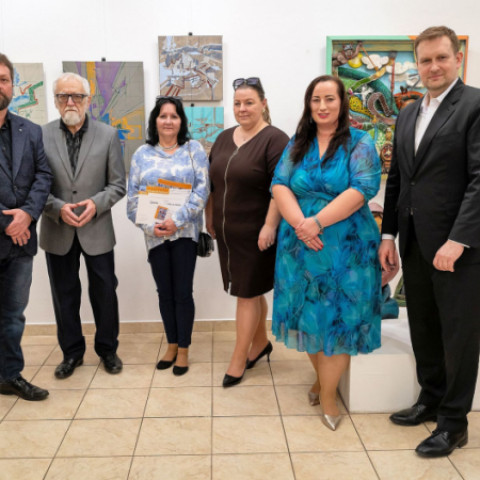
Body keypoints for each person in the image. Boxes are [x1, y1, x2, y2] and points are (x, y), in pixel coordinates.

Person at [379, 26, 480, 457]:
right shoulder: (408, 113)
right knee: (422, 326)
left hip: (458, 249)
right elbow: (399, 178)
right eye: (425, 60)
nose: (433, 67)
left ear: (458, 58)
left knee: (458, 336)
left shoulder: (474, 105)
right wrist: (388, 234)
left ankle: (454, 423)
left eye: (441, 57)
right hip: (415, 242)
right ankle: (431, 398)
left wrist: (459, 239)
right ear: (416, 64)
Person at [272, 75, 382, 431]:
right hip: (300, 248)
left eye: (329, 99)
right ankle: (321, 380)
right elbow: (279, 184)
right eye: (316, 99)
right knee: (308, 316)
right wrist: (301, 225)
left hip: (346, 249)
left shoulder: (360, 142)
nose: (322, 106)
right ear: (309, 105)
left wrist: (317, 222)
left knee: (341, 320)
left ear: (341, 103)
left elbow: (363, 188)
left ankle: (330, 396)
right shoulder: (297, 144)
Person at [40, 73, 126, 379]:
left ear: (88, 100)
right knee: (64, 295)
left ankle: (108, 349)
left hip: (97, 228)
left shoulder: (108, 135)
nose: (70, 102)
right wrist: (57, 208)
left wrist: (95, 204)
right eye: (63, 96)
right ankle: (72, 353)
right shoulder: (40, 136)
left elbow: (117, 185)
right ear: (55, 101)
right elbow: (34, 185)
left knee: (105, 292)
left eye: (76, 96)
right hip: (57, 229)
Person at [207, 77, 289, 387]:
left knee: (246, 293)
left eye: (249, 102)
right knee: (251, 290)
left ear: (263, 104)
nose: (242, 108)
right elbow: (214, 182)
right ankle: (260, 344)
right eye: (237, 103)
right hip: (228, 233)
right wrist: (210, 216)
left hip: (257, 233)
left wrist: (270, 225)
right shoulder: (223, 137)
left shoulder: (275, 139)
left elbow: (281, 187)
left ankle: (239, 359)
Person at [127, 96, 209, 376]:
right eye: (163, 116)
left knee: (182, 292)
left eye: (174, 116)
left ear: (181, 121)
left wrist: (177, 221)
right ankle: (171, 345)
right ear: (155, 120)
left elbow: (202, 191)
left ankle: (184, 349)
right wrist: (152, 227)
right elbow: (133, 200)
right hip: (155, 236)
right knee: (164, 293)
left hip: (185, 233)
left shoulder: (194, 150)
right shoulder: (142, 154)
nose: (168, 121)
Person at [0, 53, 52, 400]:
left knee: (13, 315)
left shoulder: (30, 130)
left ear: (13, 86)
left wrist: (27, 215)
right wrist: (8, 221)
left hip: (21, 242)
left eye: (4, 79)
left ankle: (9, 376)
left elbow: (43, 175)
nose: (0, 86)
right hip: (9, 231)